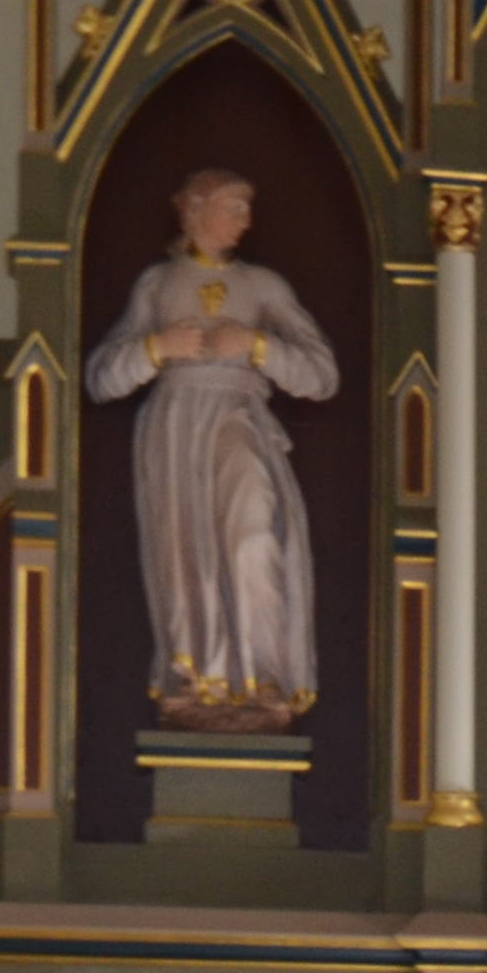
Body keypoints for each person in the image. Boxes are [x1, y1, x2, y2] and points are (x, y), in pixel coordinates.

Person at [84, 167, 337, 732]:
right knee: (185, 553)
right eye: (233, 206)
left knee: (253, 532)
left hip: (238, 414)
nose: (245, 220)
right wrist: (157, 348)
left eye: (247, 208)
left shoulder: (264, 287)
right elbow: (101, 378)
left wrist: (256, 345)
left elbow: (322, 376)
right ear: (196, 210)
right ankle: (199, 678)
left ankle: (264, 675)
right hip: (175, 426)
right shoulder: (157, 284)